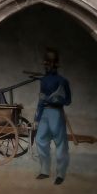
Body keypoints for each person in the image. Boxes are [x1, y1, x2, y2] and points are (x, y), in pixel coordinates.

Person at [34, 49, 72, 184]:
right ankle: (45, 171)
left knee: (61, 144)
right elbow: (40, 100)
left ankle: (60, 174)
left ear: (55, 64)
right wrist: (36, 119)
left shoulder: (63, 81)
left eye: (49, 62)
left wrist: (58, 100)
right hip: (44, 113)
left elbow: (68, 100)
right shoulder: (43, 80)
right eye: (46, 62)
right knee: (40, 140)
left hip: (56, 113)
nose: (46, 65)